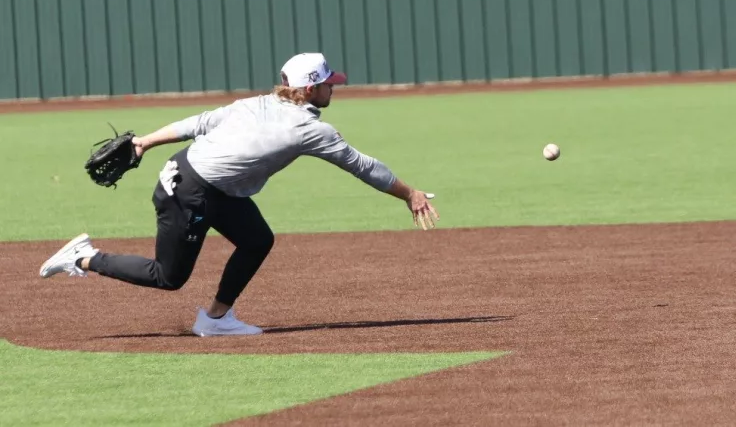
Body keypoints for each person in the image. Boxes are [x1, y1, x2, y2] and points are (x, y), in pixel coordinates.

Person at [38, 52, 439, 337]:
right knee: (168, 276)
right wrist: (409, 193)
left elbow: (199, 122)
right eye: (328, 83)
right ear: (310, 88)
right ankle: (84, 257)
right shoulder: (311, 130)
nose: (333, 88)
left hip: (211, 184)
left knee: (257, 239)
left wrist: (147, 141)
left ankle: (215, 319)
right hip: (191, 192)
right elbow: (363, 166)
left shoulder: (258, 103)